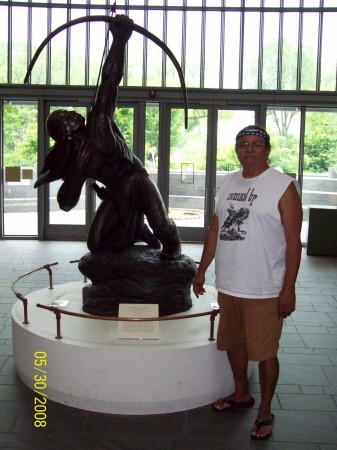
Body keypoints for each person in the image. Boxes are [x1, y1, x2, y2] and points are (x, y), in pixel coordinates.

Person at [34, 15, 181, 260]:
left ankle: (171, 245)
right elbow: (66, 203)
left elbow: (110, 80)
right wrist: (78, 169)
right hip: (117, 191)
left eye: (67, 112)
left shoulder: (99, 124)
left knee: (161, 223)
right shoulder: (74, 157)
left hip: (136, 179)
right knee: (96, 243)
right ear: (63, 134)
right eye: (62, 117)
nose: (69, 114)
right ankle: (136, 229)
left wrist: (120, 41)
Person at [193, 125, 302, 441]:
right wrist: (202, 271)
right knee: (234, 343)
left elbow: (293, 241)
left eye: (256, 144)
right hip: (228, 285)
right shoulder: (227, 182)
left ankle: (265, 410)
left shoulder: (282, 186)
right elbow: (215, 230)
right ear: (236, 150)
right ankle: (241, 393)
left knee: (265, 352)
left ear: (267, 150)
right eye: (243, 144)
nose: (249, 149)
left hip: (264, 289)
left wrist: (288, 287)